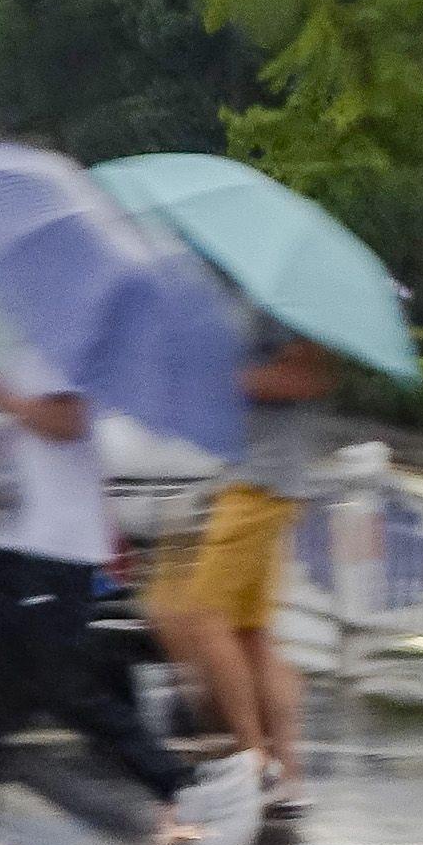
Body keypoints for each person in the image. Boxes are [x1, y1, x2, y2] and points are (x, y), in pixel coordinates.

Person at [0, 346, 255, 845]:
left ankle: (183, 786)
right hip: (15, 539)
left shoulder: (78, 347)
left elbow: (70, 420)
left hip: (53, 550)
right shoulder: (38, 343)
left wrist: (6, 400)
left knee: (64, 684)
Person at [151, 328, 339, 815]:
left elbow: (302, 379)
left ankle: (254, 762)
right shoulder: (268, 307)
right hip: (255, 486)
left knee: (204, 619)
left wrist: (219, 379)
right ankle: (284, 774)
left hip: (258, 489)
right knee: (250, 635)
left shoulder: (290, 312)